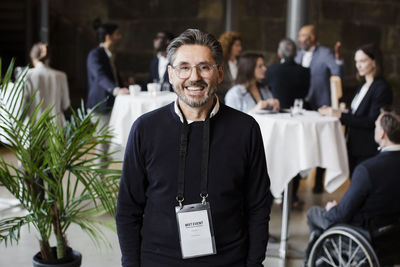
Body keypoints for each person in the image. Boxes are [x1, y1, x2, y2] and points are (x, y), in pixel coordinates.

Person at [116, 29, 271, 267]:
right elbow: (128, 209)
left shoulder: (245, 129)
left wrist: (253, 263)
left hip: (228, 260)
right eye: (184, 67)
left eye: (204, 67)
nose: (194, 77)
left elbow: (258, 205)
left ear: (220, 73)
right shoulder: (145, 129)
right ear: (171, 74)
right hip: (158, 260)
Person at [307, 106, 400, 238]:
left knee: (314, 213)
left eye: (376, 126)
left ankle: (319, 254)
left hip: (364, 236)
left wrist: (332, 209)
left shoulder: (367, 169)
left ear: (382, 134)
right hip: (392, 236)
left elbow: (341, 215)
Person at [319, 44, 393, 175]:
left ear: (374, 62)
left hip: (367, 149)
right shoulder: (363, 86)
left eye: (363, 61)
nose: (358, 65)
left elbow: (371, 121)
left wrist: (340, 115)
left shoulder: (381, 88)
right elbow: (357, 114)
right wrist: (336, 111)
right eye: (356, 61)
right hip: (354, 145)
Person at [295, 24, 344, 193]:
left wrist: (338, 58)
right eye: (300, 35)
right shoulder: (298, 54)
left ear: (313, 37)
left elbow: (337, 72)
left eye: (304, 35)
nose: (300, 39)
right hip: (301, 103)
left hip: (320, 104)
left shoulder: (325, 53)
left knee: (322, 142)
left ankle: (318, 182)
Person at [86, 22, 129, 166]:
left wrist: (124, 86)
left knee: (107, 146)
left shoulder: (110, 55)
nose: (120, 37)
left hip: (111, 105)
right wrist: (116, 90)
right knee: (103, 146)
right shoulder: (95, 55)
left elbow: (113, 78)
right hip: (100, 106)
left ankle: (100, 181)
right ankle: (95, 185)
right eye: (118, 33)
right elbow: (100, 76)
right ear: (108, 36)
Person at [24, 42, 70, 127]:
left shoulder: (27, 75)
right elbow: (66, 104)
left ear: (33, 57)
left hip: (34, 125)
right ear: (49, 58)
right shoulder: (61, 76)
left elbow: (22, 106)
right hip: (56, 126)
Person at [265, 38, 310, 109]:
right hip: (299, 111)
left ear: (279, 53)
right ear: (296, 53)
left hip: (276, 111)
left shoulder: (271, 70)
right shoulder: (305, 71)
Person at [217, 31, 242, 102]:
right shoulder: (221, 63)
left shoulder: (240, 62)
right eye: (237, 45)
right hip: (223, 100)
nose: (240, 48)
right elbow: (217, 85)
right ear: (228, 46)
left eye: (240, 45)